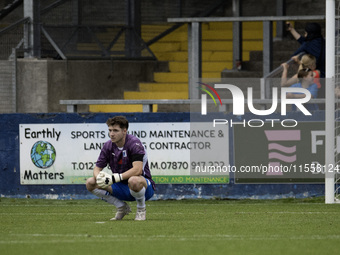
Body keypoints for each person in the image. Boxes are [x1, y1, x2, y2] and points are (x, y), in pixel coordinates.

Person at [86, 116, 155, 221]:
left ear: (124, 131)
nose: (111, 134)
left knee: (134, 180)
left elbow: (137, 170)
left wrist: (114, 178)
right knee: (90, 182)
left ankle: (141, 209)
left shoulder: (134, 143)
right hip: (120, 187)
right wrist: (99, 177)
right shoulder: (108, 146)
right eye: (110, 130)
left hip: (143, 188)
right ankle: (121, 207)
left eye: (115, 130)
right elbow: (97, 168)